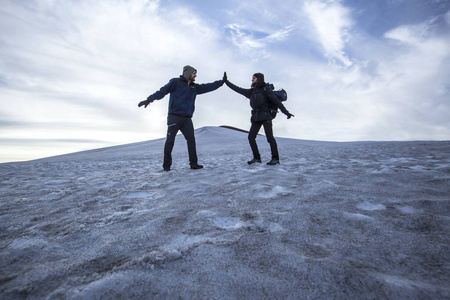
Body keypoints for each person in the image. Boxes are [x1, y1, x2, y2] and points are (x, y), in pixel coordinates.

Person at [139, 65, 226, 171]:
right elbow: (162, 92)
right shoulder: (175, 82)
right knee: (170, 141)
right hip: (174, 117)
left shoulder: (194, 87)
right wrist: (149, 99)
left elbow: (208, 87)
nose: (195, 76)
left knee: (191, 140)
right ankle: (166, 166)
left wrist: (221, 82)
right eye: (194, 73)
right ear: (188, 73)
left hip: (187, 119)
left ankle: (194, 164)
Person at [224, 72, 294, 165]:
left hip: (266, 116)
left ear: (259, 79)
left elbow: (277, 102)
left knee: (270, 138)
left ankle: (275, 158)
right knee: (251, 137)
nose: (252, 79)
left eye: (254, 78)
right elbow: (237, 89)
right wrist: (226, 81)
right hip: (256, 117)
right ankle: (256, 158)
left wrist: (286, 113)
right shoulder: (251, 92)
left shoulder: (266, 90)